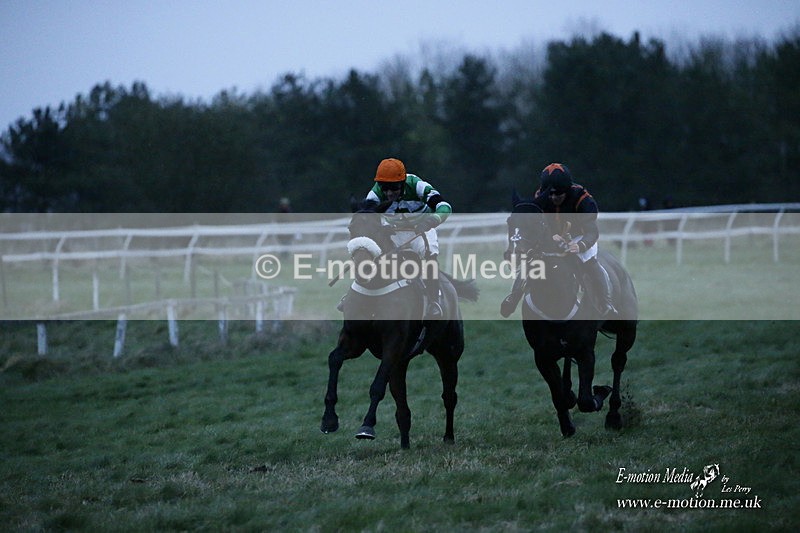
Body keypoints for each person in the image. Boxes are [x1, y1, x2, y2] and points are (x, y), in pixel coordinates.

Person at [502, 163, 615, 317]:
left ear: (567, 191)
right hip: (552, 237)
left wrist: (579, 245)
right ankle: (514, 296)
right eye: (551, 194)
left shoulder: (583, 199)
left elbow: (592, 231)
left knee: (588, 260)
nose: (554, 198)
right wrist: (549, 237)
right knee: (532, 260)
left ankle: (605, 303)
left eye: (558, 194)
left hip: (579, 237)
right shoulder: (540, 197)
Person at [366, 157, 452, 319]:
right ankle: (361, 296)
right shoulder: (375, 191)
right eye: (385, 189)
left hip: (420, 230)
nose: (389, 193)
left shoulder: (417, 185)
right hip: (393, 231)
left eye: (394, 188)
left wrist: (431, 220)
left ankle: (434, 302)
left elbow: (444, 207)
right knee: (372, 255)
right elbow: (366, 214)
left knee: (428, 254)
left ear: (403, 182)